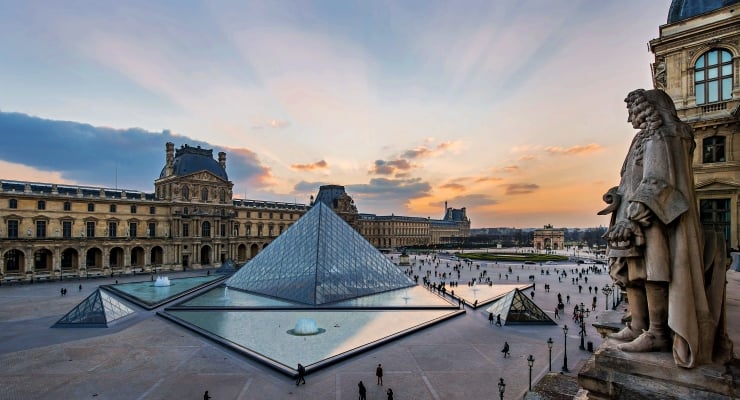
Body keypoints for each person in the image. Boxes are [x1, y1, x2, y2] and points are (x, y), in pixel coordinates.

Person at [601, 88, 732, 368]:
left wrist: (634, 214)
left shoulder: (665, 136)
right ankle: (639, 324)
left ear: (649, 109)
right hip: (631, 212)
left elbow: (658, 180)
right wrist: (617, 195)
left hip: (654, 216)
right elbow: (631, 179)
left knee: (653, 272)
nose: (630, 119)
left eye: (633, 112)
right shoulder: (644, 138)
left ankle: (657, 332)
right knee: (632, 271)